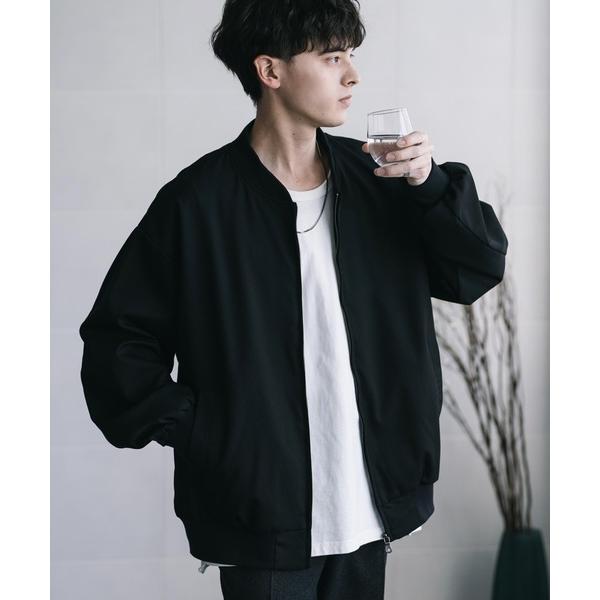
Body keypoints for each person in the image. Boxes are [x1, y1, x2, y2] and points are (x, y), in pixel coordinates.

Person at [78, 1, 509, 598]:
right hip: (262, 520)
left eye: (350, 56)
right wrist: (210, 433)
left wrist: (429, 184)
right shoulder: (197, 205)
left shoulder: (382, 181)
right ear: (270, 71)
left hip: (369, 508)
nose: (352, 75)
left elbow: (477, 269)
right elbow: (116, 345)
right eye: (332, 58)